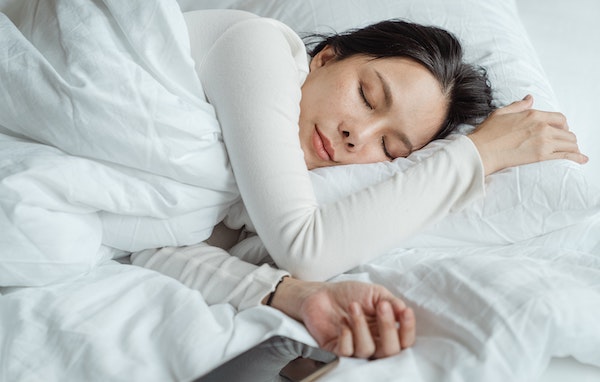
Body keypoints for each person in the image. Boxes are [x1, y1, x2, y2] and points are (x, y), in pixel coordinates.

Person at [130, 9, 587, 361]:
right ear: (325, 57)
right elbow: (306, 249)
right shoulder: (257, 45)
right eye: (368, 96)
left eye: (389, 149)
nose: (357, 136)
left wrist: (292, 295)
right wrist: (479, 155)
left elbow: (147, 247)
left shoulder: (238, 194)